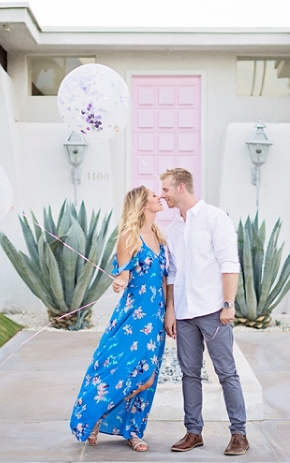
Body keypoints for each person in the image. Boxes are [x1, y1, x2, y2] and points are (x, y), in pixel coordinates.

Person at [70, 186, 168, 452]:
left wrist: (169, 313)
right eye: (153, 195)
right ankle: (95, 415)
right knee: (133, 374)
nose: (159, 197)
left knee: (149, 377)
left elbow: (164, 279)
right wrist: (119, 281)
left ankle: (133, 431)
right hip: (134, 317)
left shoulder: (159, 236)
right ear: (142, 204)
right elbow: (123, 276)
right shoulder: (129, 237)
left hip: (156, 317)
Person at [160, 168, 250, 456]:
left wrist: (228, 303)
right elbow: (173, 272)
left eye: (166, 190)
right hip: (185, 313)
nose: (163, 195)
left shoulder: (215, 218)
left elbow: (229, 263)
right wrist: (171, 311)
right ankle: (193, 432)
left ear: (182, 187)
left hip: (213, 310)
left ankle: (239, 434)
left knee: (226, 373)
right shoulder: (173, 229)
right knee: (189, 374)